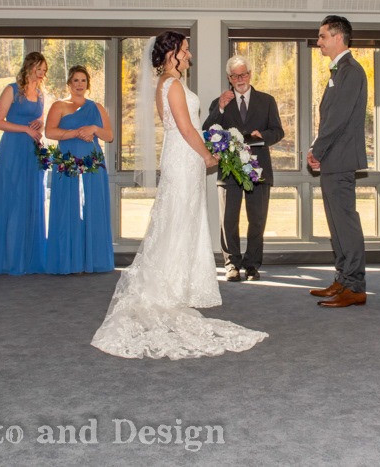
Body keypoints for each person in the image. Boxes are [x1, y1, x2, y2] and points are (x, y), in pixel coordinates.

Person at [91, 32, 267, 359]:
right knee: (176, 222)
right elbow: (186, 128)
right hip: (184, 156)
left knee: (182, 223)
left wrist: (215, 144)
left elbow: (190, 127)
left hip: (185, 155)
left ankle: (176, 284)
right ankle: (165, 291)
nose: (189, 55)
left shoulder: (173, 83)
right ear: (171, 53)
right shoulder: (170, 85)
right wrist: (207, 155)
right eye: (185, 50)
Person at [202, 54, 285, 282]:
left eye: (244, 74)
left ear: (250, 74)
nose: (241, 79)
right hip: (229, 170)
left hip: (258, 169)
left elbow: (278, 131)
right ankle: (231, 265)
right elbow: (207, 131)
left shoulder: (266, 100)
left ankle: (251, 265)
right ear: (229, 78)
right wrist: (218, 108)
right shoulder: (220, 102)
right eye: (235, 75)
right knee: (228, 220)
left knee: (257, 220)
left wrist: (263, 136)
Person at [307, 15, 369, 307]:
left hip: (340, 158)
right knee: (337, 224)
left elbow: (338, 119)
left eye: (322, 36)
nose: (318, 42)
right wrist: (319, 150)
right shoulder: (339, 70)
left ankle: (355, 287)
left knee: (346, 224)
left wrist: (317, 150)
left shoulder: (350, 70)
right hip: (335, 158)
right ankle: (343, 279)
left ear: (338, 37)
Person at [44, 66, 115, 275]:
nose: (79, 84)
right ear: (69, 83)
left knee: (92, 208)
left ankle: (93, 259)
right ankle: (69, 260)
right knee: (68, 208)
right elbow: (50, 132)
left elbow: (109, 136)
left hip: (92, 166)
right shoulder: (59, 106)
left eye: (83, 80)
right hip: (67, 164)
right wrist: (76, 132)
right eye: (75, 80)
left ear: (88, 84)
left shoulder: (97, 107)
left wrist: (93, 129)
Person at [0, 52, 48, 275]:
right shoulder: (11, 90)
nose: (41, 74)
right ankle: (9, 259)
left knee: (30, 200)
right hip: (12, 150)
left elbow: (39, 119)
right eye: (39, 69)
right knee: (13, 200)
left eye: (44, 70)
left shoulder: (40, 93)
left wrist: (40, 123)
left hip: (31, 152)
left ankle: (29, 258)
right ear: (29, 67)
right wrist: (25, 129)